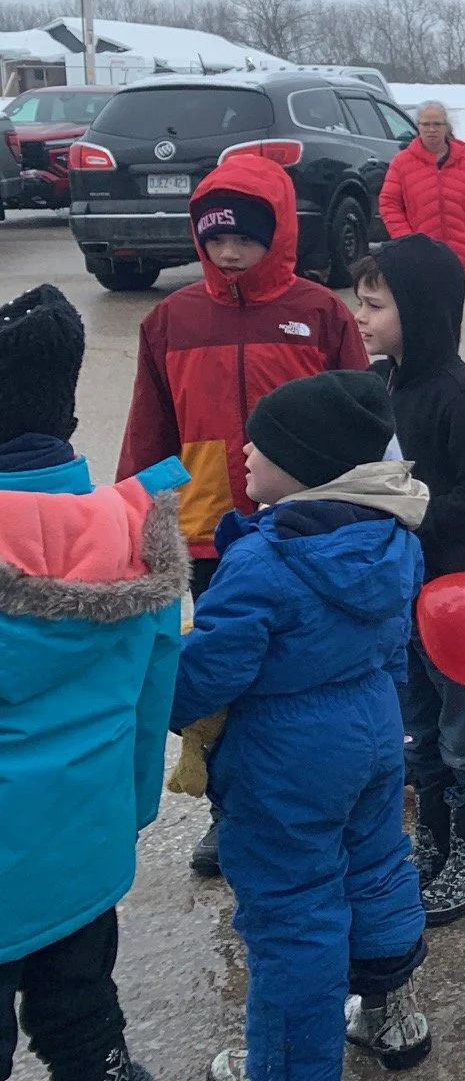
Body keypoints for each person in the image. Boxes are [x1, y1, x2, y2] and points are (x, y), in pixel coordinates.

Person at [172, 371, 433, 1081]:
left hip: (286, 758)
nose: (245, 449)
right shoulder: (390, 536)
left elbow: (209, 673)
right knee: (377, 869)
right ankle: (389, 1016)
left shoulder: (265, 557)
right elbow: (396, 642)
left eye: (264, 441)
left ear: (308, 467)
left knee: (294, 916)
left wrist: (160, 684)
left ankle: (287, 1065)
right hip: (373, 732)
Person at [117, 154, 368, 876]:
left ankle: (331, 802)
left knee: (305, 677)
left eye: (246, 238)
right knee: (220, 686)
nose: (229, 251)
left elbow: (361, 420)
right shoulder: (171, 320)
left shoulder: (319, 313)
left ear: (279, 234)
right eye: (215, 237)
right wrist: (136, 519)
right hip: (209, 535)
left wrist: (366, 509)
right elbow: (148, 432)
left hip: (305, 531)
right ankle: (230, 815)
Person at [1, 285, 185, 1081]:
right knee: (83, 1014)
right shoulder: (133, 532)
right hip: (86, 842)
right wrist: (131, 809)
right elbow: (153, 700)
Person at [352, 237, 465, 925]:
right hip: (404, 597)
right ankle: (438, 843)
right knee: (417, 727)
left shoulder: (458, 394)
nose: (359, 315)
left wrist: (416, 514)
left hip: (459, 602)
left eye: (374, 304)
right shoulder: (389, 382)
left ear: (417, 311)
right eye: (358, 301)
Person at [379, 100, 465, 275]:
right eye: (426, 124)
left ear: (446, 127)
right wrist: (406, 239)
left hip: (458, 256)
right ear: (418, 127)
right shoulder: (401, 163)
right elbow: (389, 204)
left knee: (453, 303)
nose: (431, 129)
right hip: (416, 255)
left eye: (437, 124)